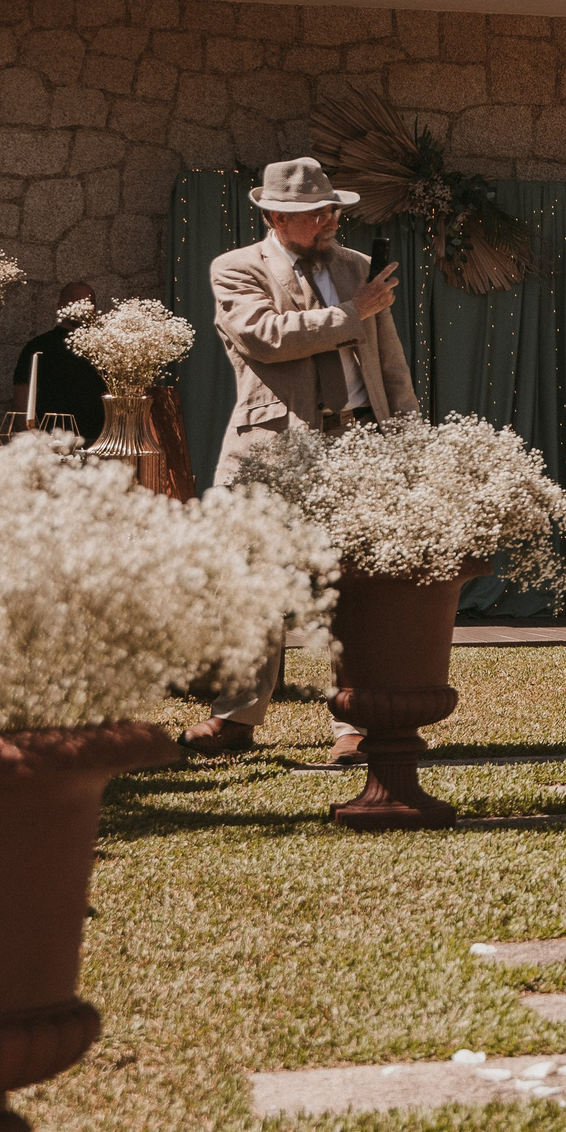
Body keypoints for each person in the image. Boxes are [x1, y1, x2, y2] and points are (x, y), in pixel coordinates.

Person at [183, 157, 417, 760]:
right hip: (273, 444)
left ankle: (354, 722)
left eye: (332, 209)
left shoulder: (356, 268)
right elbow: (265, 336)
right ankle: (236, 718)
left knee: (353, 585)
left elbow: (388, 359)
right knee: (255, 579)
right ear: (275, 217)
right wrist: (349, 314)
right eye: (317, 213)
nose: (330, 220)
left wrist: (410, 434)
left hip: (359, 441)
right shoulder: (235, 269)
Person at [10, 282, 111, 442]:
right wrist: (27, 442)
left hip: (98, 443)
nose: (83, 306)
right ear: (60, 306)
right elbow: (22, 398)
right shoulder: (39, 346)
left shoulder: (108, 349)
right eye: (77, 300)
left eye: (89, 302)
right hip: (51, 443)